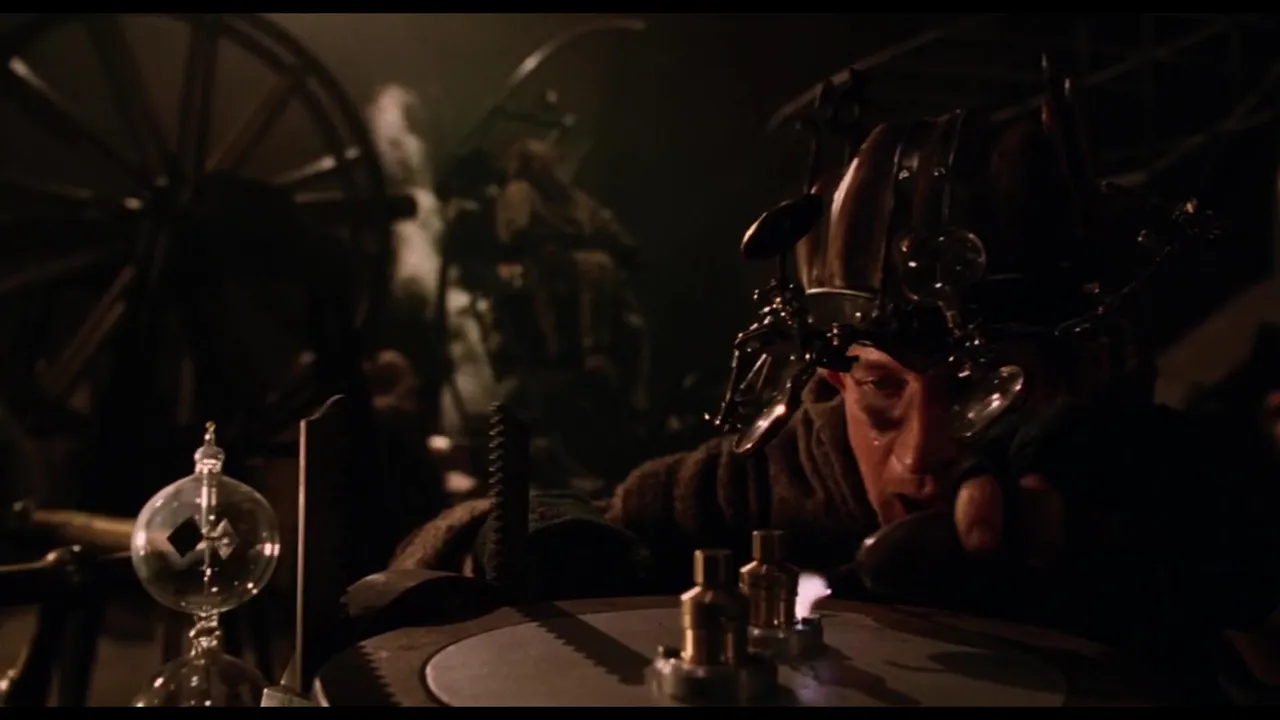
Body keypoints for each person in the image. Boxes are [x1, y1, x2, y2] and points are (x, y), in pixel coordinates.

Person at [390, 109, 1280, 698]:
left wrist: (1216, 553)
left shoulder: (1156, 485)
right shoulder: (771, 482)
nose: (922, 454)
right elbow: (585, 522)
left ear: (1075, 373)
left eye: (981, 386)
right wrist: (525, 539)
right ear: (831, 382)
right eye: (884, 388)